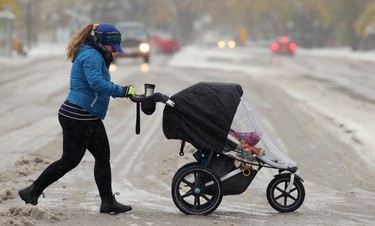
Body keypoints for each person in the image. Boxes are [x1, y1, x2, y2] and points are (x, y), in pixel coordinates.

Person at [18, 23, 136, 214]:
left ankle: (107, 202)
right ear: (101, 42)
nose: (115, 52)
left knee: (102, 157)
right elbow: (97, 84)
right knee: (70, 161)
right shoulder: (91, 55)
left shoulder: (94, 54)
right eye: (113, 47)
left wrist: (121, 90)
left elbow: (101, 82)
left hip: (86, 115)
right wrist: (121, 91)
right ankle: (32, 191)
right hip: (79, 116)